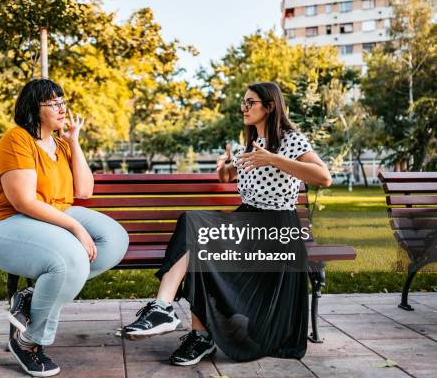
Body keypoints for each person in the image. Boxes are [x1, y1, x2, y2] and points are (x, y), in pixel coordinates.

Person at [122, 82, 332, 365]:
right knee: (193, 227)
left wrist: (274, 159)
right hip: (245, 219)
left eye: (250, 102)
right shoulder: (250, 144)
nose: (244, 108)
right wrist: (223, 168)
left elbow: (323, 177)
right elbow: (229, 176)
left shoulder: (290, 139)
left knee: (199, 234)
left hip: (275, 228)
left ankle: (193, 331)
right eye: (243, 103)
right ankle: (171, 314)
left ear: (270, 106)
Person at [0, 79, 129, 376]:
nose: (62, 108)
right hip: (3, 223)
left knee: (114, 239)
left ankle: (31, 297)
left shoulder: (60, 144)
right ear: (34, 108)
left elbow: (84, 190)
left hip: (52, 217)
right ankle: (29, 341)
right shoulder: (17, 139)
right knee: (68, 260)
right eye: (53, 103)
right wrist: (75, 227)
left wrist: (74, 140)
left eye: (63, 101)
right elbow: (23, 201)